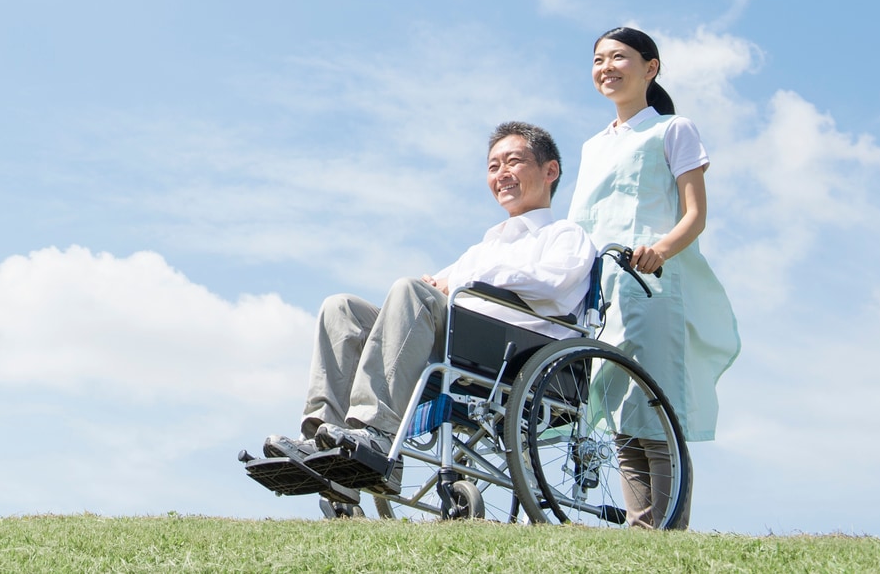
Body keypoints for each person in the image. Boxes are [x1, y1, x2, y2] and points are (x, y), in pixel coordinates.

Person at [262, 122, 595, 498]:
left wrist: (463, 281)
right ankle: (322, 441)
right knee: (342, 309)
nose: (501, 174)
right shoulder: (485, 247)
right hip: (457, 339)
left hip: (509, 352)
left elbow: (553, 286)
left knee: (410, 291)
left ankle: (378, 434)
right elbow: (435, 287)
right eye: (492, 166)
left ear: (550, 171)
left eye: (513, 162)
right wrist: (443, 284)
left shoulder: (565, 235)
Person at [575, 26, 740, 529]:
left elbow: (695, 214)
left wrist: (659, 251)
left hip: (650, 286)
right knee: (620, 412)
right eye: (599, 59)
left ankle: (664, 530)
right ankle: (640, 529)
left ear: (651, 67)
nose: (606, 67)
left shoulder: (673, 129)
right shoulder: (592, 146)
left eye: (619, 57)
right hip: (599, 293)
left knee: (653, 410)